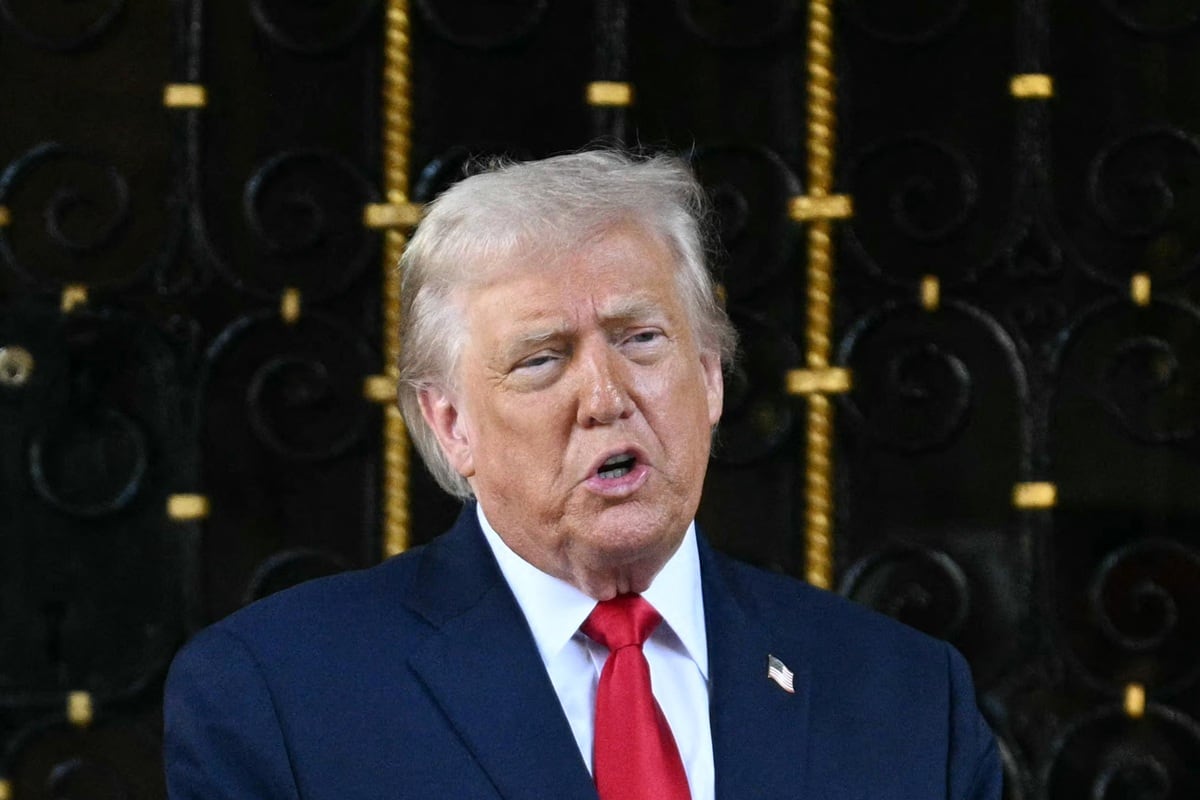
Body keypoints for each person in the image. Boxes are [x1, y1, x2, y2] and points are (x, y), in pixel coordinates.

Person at [164, 151, 1002, 799]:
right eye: (541, 359)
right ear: (451, 423)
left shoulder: (908, 697)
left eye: (640, 339)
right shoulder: (277, 695)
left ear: (709, 375)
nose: (605, 397)